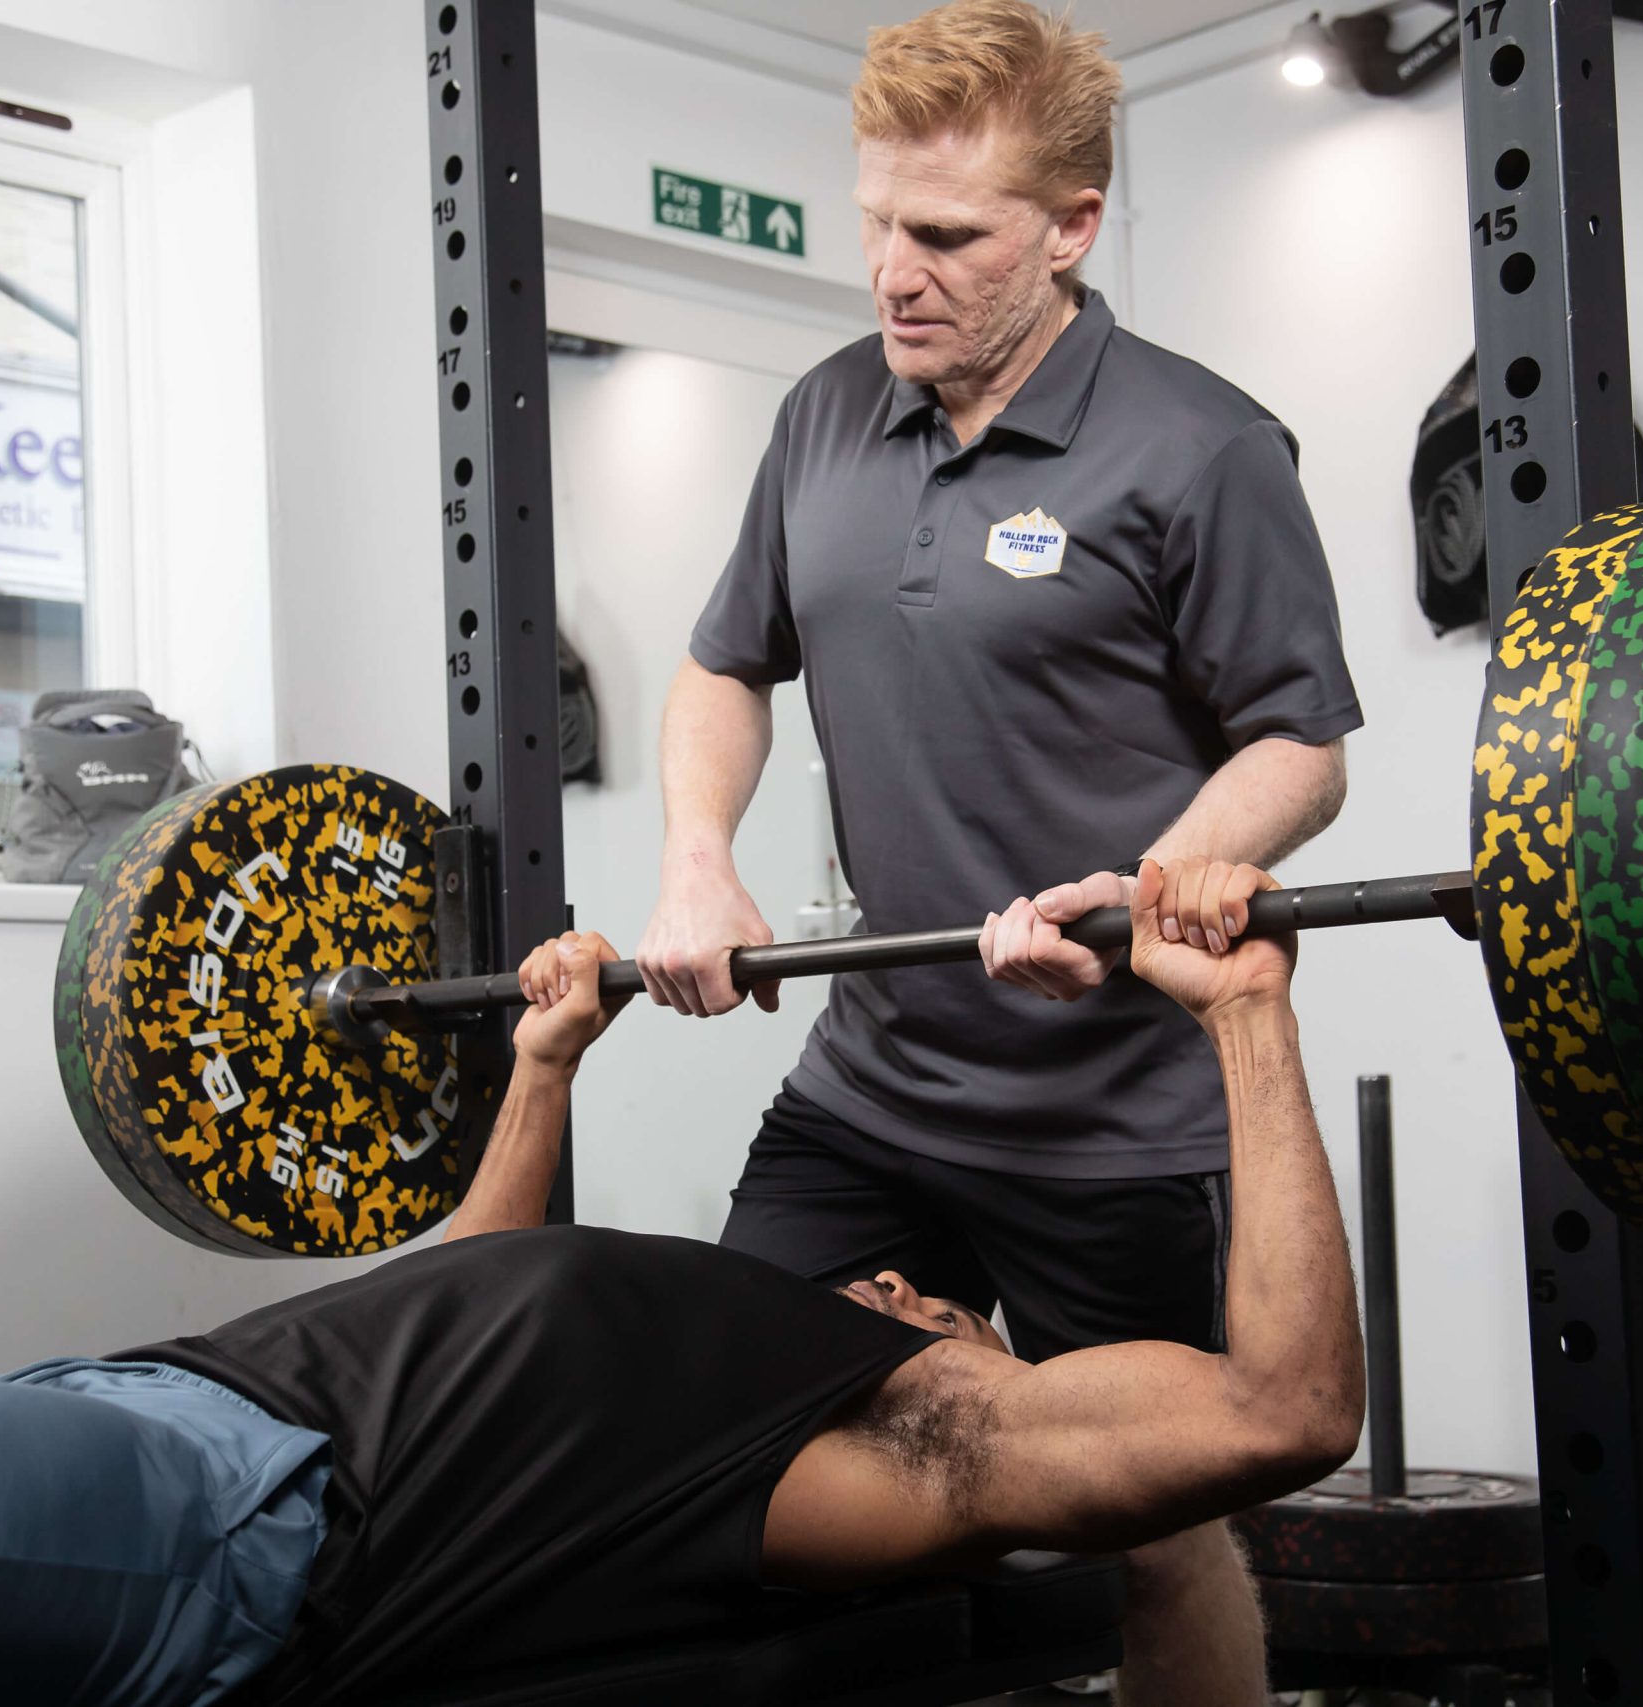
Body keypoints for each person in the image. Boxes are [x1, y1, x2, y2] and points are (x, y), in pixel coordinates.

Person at [0, 859, 1360, 1707]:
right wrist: (546, 1069)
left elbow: (1283, 1410)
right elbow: (473, 1275)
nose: (917, 1280)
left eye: (953, 1314)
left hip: (216, 1504)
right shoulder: (684, 1367)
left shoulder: (887, 1446)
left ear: (981, 1379)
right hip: (140, 1415)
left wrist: (1247, 1018)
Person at [636, 4, 1361, 1697]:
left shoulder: (1204, 448)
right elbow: (724, 662)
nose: (893, 270)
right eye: (875, 220)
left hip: (1111, 1118)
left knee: (1153, 1531)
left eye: (946, 236)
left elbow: (1301, 745)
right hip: (873, 1090)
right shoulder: (824, 414)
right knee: (721, 1456)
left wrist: (1159, 878)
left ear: (1071, 230)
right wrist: (696, 857)